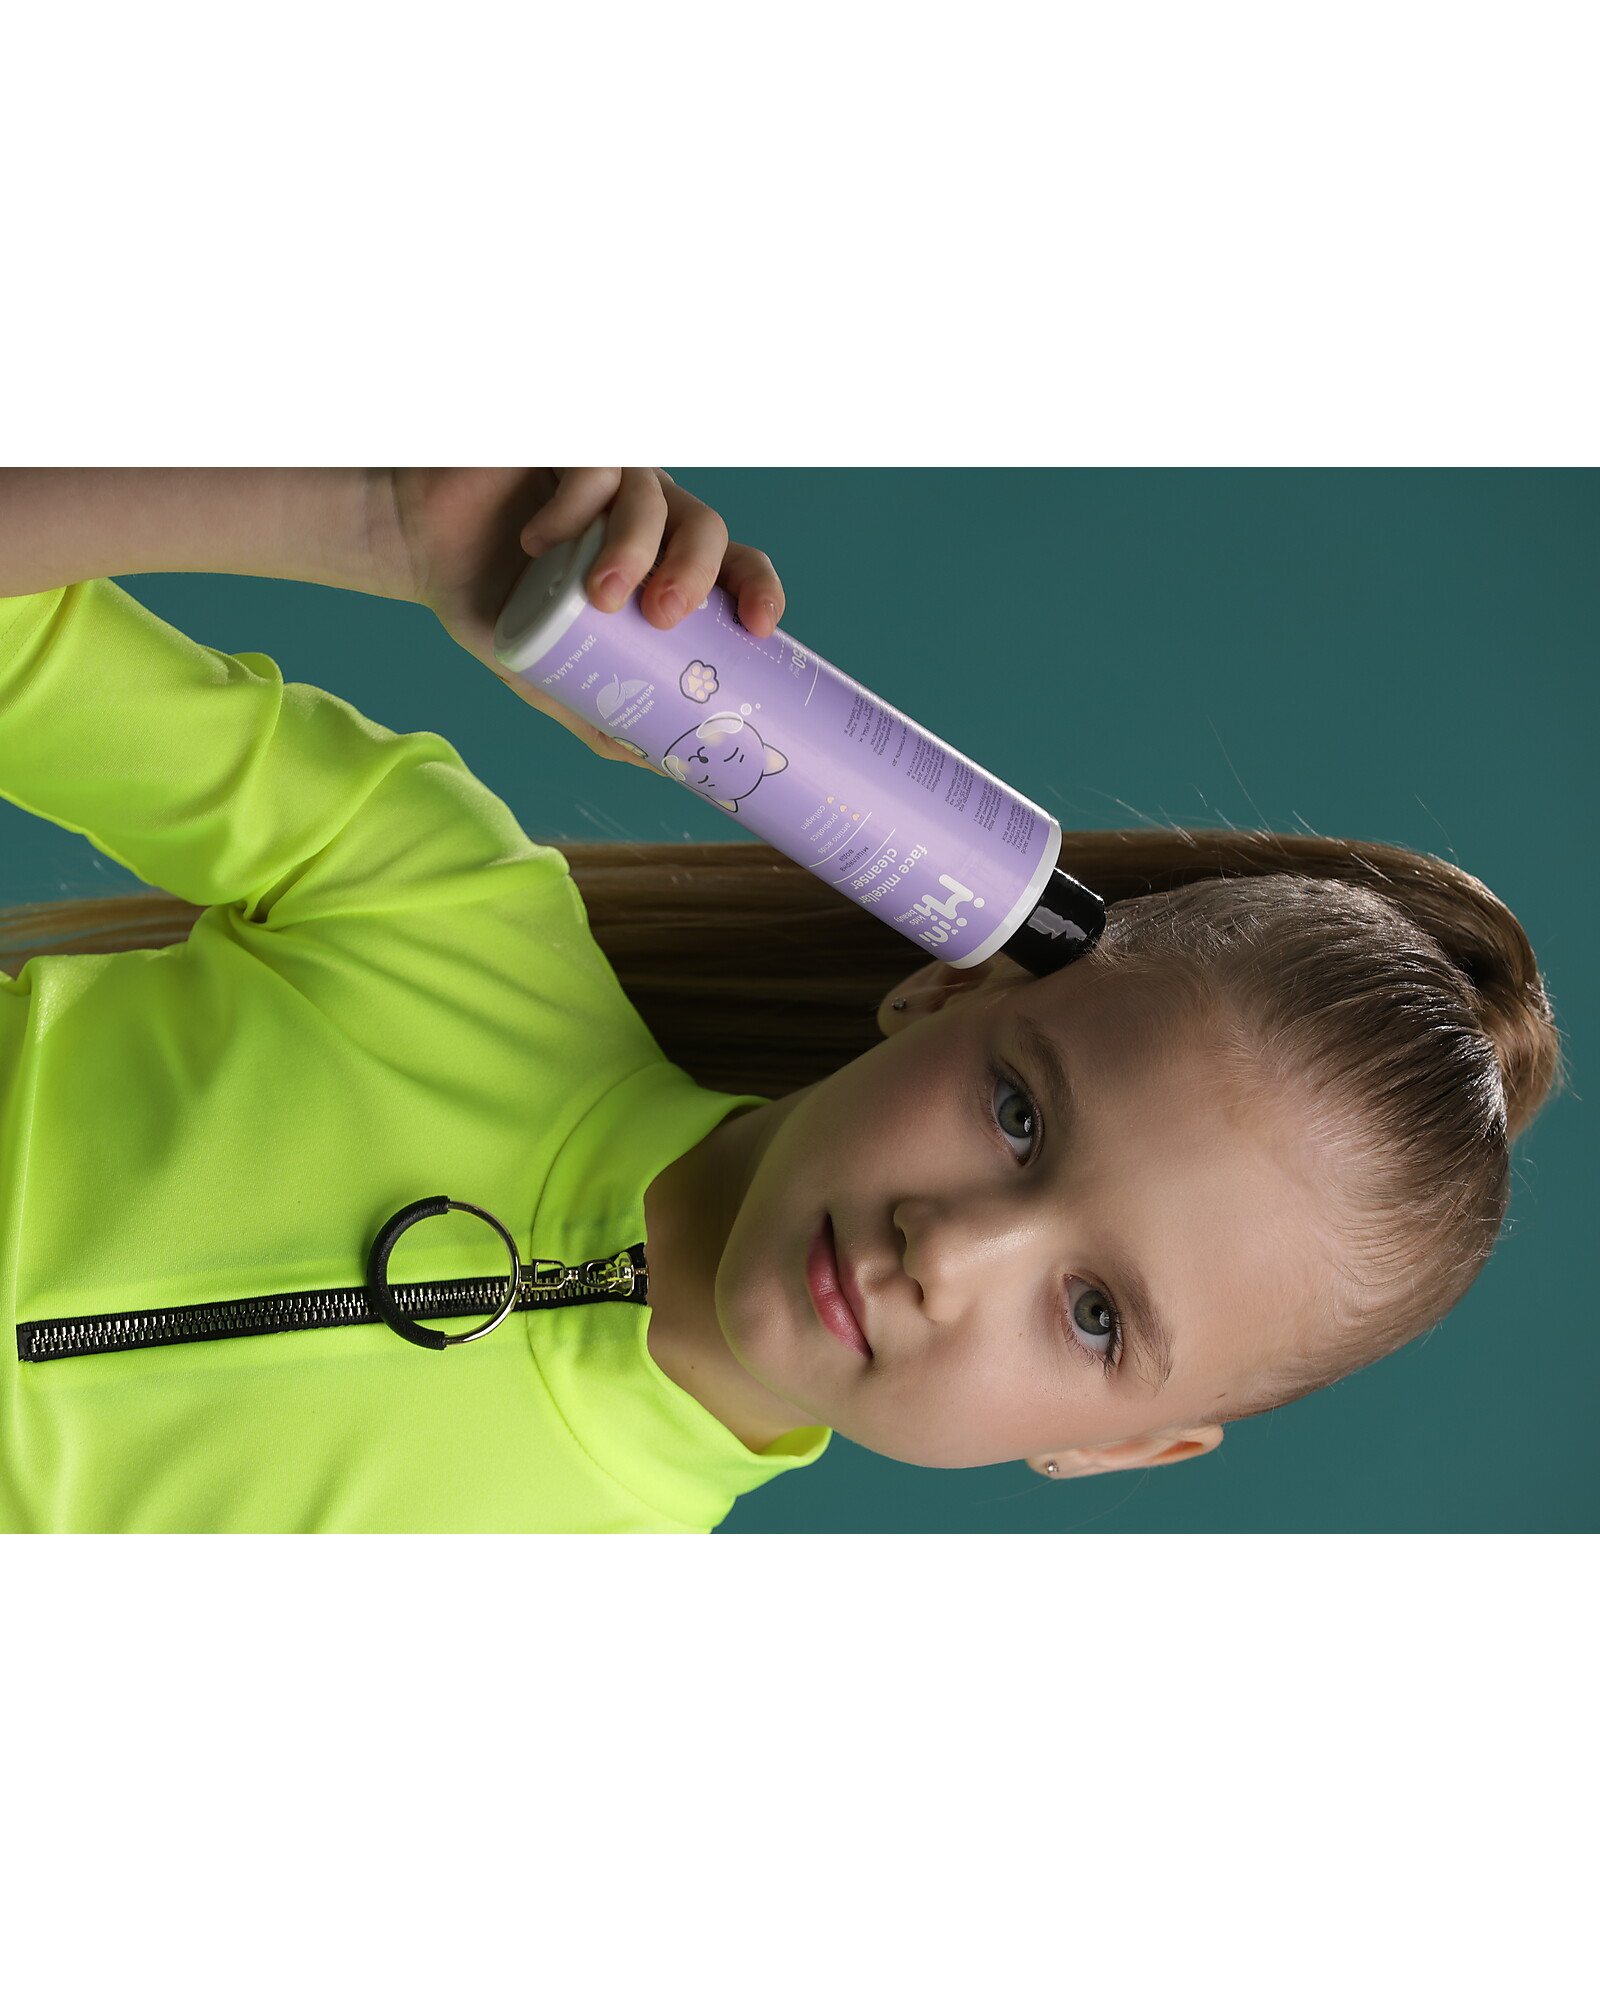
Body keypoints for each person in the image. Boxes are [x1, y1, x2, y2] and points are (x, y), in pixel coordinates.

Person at [0, 468, 1564, 1532]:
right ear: (946, 988)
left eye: (1095, 1315)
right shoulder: (441, 914)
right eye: (1020, 1117)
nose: (949, 1253)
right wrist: (376, 517)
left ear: (1119, 1448)